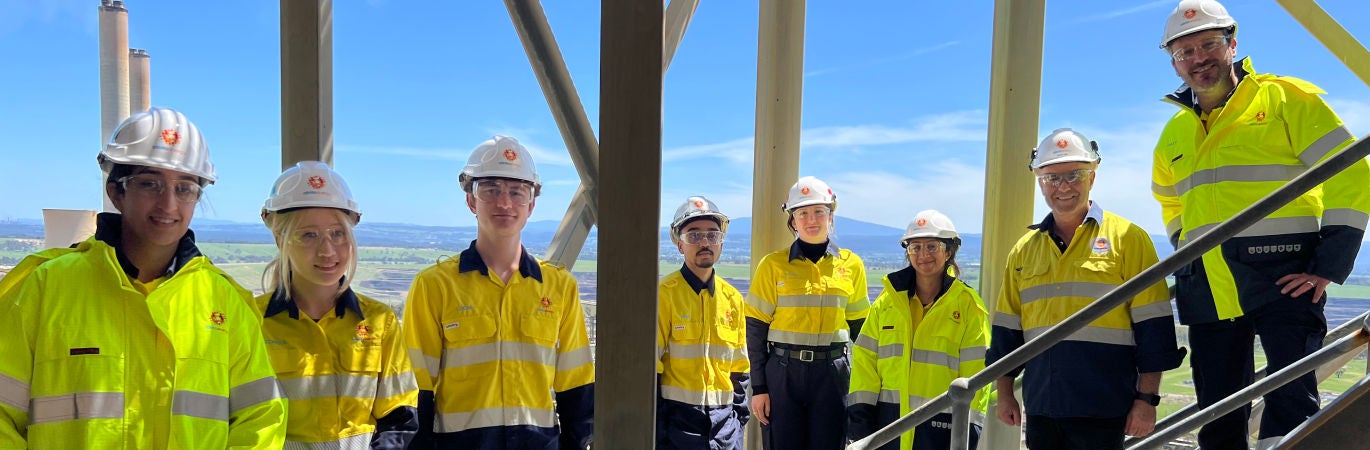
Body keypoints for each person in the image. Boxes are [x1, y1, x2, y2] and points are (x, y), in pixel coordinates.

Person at [1150, 1, 1370, 447]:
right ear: (1174, 61)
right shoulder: (1173, 132)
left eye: (1208, 44)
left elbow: (1352, 170)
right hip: (1209, 286)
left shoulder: (1286, 99)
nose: (1198, 58)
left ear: (1232, 44)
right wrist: (1187, 253)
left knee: (1291, 406)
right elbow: (1169, 203)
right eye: (1185, 51)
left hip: (1285, 277)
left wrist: (1328, 264)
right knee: (1218, 412)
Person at [0, 107, 287, 448]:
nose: (168, 204)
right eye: (149, 184)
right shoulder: (43, 287)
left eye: (185, 188)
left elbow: (261, 418)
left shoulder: (224, 300)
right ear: (116, 192)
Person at [988, 128, 1185, 450]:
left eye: (1074, 175)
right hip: (1042, 404)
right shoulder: (1023, 250)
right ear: (1040, 182)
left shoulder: (1128, 239)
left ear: (1092, 177)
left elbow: (1154, 327)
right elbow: (1007, 329)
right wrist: (1006, 394)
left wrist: (1146, 399)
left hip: (1105, 405)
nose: (1063, 187)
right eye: (1052, 178)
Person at [403, 135, 594, 449]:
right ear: (470, 201)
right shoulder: (435, 285)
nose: (504, 202)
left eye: (517, 192)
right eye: (490, 190)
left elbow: (576, 387)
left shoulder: (559, 287)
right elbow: (417, 389)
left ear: (531, 205)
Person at [258, 161, 419, 448]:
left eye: (337, 233)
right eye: (309, 235)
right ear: (280, 238)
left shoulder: (380, 323)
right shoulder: (250, 321)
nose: (327, 250)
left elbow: (400, 420)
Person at [744, 175, 870, 450]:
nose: (811, 220)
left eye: (818, 212)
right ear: (793, 220)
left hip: (833, 373)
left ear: (830, 216)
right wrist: (760, 388)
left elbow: (862, 331)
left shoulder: (852, 265)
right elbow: (755, 330)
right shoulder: (772, 265)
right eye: (803, 213)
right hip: (783, 373)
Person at [848, 210, 989, 450]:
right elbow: (864, 363)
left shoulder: (968, 306)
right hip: (887, 423)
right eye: (915, 247)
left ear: (949, 251)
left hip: (940, 427)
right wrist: (859, 422)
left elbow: (977, 375)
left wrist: (969, 431)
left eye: (932, 246)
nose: (923, 254)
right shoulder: (886, 303)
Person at [656, 196, 750, 449]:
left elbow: (739, 369)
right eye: (694, 236)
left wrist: (738, 424)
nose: (705, 242)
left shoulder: (733, 299)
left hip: (724, 428)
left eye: (712, 235)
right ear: (680, 245)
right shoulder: (662, 295)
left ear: (721, 242)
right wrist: (659, 429)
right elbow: (650, 369)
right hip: (678, 425)